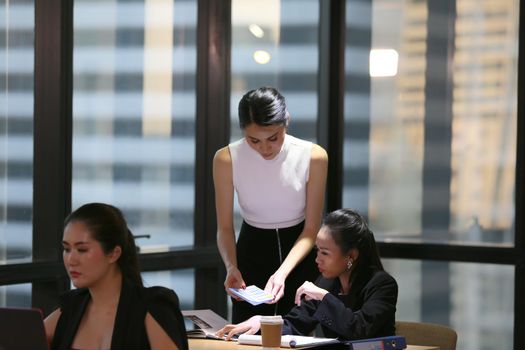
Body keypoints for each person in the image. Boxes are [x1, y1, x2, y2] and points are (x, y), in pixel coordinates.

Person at [213, 86, 328, 323]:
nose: (265, 148)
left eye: (273, 138)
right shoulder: (226, 158)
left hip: (299, 250)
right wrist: (231, 267)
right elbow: (224, 227)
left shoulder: (314, 156)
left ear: (286, 122)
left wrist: (282, 272)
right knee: (246, 332)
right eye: (254, 140)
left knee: (297, 332)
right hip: (251, 248)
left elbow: (311, 228)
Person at [217, 209, 398, 341]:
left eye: (325, 253)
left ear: (351, 256)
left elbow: (359, 329)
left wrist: (323, 296)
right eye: (317, 250)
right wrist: (262, 322)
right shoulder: (327, 283)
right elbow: (295, 323)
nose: (317, 259)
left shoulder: (382, 284)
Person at [44, 203, 188, 350]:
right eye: (67, 249)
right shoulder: (70, 308)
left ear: (114, 253)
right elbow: (24, 337)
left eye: (82, 250)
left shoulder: (153, 308)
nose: (71, 260)